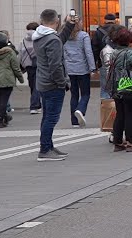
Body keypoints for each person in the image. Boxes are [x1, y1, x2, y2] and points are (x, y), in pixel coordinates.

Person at [33, 9, 69, 161]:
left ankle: (48, 146)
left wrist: (70, 26)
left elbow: (59, 39)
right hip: (53, 84)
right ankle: (45, 149)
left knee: (47, 116)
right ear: (57, 21)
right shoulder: (52, 40)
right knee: (51, 118)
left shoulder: (39, 36)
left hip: (42, 81)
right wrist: (62, 83)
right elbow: (56, 65)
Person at [106, 28, 132, 152]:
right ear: (129, 41)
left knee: (120, 115)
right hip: (130, 86)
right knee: (130, 116)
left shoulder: (114, 52)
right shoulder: (129, 54)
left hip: (118, 87)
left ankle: (118, 142)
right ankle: (130, 143)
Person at [61, 16, 96, 127]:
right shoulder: (83, 35)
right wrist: (92, 68)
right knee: (85, 93)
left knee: (74, 95)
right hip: (82, 68)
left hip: (69, 69)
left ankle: (74, 121)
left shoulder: (64, 36)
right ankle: (80, 110)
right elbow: (88, 52)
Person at [0, 33, 24, 128]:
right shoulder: (9, 52)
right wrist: (20, 78)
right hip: (6, 78)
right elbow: (15, 66)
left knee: (0, 99)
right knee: (4, 100)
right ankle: (1, 120)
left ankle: (5, 117)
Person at [19, 21, 42, 114]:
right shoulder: (40, 39)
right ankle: (34, 106)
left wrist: (21, 65)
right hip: (39, 64)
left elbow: (19, 54)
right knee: (37, 85)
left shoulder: (23, 41)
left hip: (28, 66)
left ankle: (37, 104)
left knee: (32, 85)